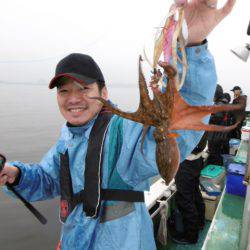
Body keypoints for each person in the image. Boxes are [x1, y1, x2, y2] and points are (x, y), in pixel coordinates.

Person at [0, 1, 237, 249]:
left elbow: (181, 116)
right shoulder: (67, 139)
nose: (73, 98)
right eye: (64, 91)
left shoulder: (122, 132)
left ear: (103, 91)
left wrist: (191, 46)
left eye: (84, 89)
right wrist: (15, 175)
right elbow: (48, 180)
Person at [170, 132, 207, 244]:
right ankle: (200, 223)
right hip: (197, 159)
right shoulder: (202, 116)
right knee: (195, 192)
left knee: (185, 199)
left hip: (186, 162)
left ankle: (191, 236)